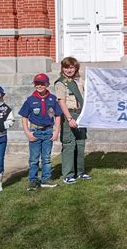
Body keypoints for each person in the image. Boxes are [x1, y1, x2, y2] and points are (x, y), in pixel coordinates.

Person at [19, 73, 62, 191]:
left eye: (42, 83)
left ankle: (46, 179)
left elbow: (57, 115)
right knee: (34, 159)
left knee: (46, 158)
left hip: (48, 131)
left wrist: (56, 131)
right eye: (37, 83)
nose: (40, 86)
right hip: (35, 132)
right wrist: (27, 132)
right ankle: (33, 180)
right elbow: (24, 117)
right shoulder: (30, 100)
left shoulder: (52, 99)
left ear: (47, 84)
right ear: (34, 85)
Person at [54, 57, 90, 185]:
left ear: (76, 68)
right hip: (69, 114)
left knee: (80, 143)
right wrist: (69, 118)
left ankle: (80, 172)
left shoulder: (80, 81)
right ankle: (68, 174)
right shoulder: (61, 83)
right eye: (66, 67)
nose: (69, 70)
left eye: (71, 67)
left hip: (81, 114)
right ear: (62, 68)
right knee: (69, 144)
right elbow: (61, 102)